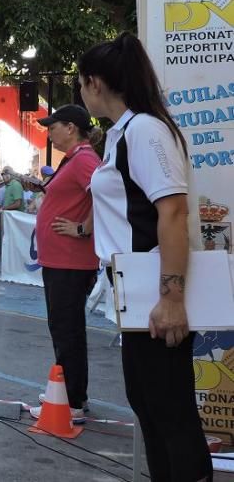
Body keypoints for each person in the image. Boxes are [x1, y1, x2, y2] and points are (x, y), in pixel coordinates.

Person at [80, 33, 211, 480]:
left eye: (80, 84)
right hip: (133, 295)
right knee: (150, 408)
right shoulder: (120, 134)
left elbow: (172, 211)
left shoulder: (145, 131)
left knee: (170, 414)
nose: (81, 93)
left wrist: (171, 297)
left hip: (155, 296)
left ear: (94, 83)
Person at [28, 104, 102, 425]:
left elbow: (107, 197)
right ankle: (72, 394)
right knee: (65, 327)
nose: (49, 133)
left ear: (70, 128)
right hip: (62, 260)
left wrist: (82, 228)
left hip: (70, 261)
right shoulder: (75, 159)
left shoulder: (85, 159)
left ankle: (71, 401)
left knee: (66, 329)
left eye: (52, 126)